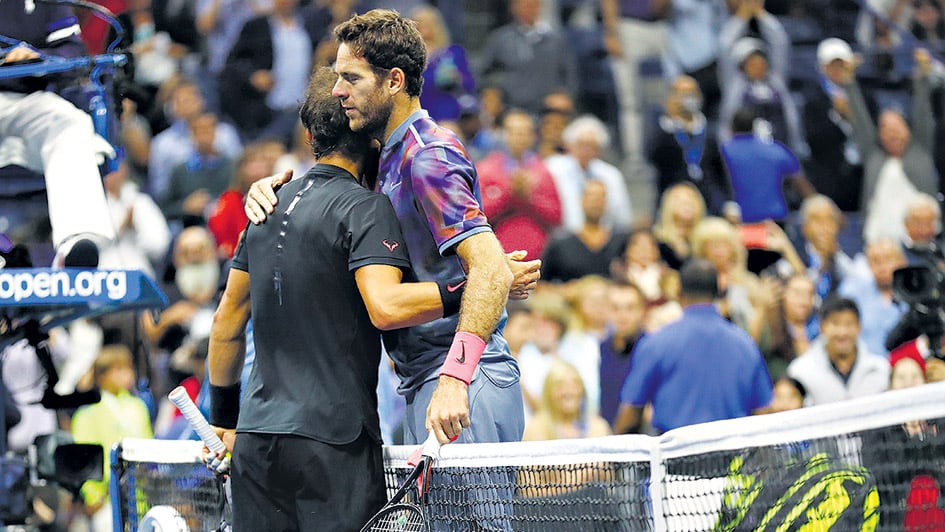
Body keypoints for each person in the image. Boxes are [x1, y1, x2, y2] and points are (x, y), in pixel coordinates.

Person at [244, 9, 540, 447]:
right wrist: (269, 189)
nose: (338, 90)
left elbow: (491, 269)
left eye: (352, 78)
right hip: (425, 380)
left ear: (395, 81)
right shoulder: (387, 156)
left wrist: (455, 378)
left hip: (461, 383)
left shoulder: (429, 157)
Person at [208, 67, 459, 531]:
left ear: (309, 137)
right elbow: (387, 307)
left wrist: (225, 419)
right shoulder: (366, 208)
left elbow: (225, 323)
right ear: (372, 138)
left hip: (257, 438)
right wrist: (468, 285)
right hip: (334, 442)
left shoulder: (265, 208)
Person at [0, 0, 115, 267]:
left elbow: (72, 50)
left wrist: (36, 57)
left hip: (27, 98)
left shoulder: (45, 2)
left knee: (70, 123)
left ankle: (76, 242)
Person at [614, 258, 773, 434]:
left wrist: (616, 446)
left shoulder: (656, 343)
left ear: (679, 292)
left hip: (674, 449)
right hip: (731, 448)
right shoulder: (745, 345)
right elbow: (763, 413)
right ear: (718, 292)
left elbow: (631, 412)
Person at [72, 344, 153, 532]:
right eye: (118, 369)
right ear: (102, 375)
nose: (127, 374)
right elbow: (84, 459)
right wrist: (94, 498)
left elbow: (149, 448)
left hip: (140, 502)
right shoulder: (86, 413)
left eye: (128, 367)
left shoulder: (139, 407)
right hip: (107, 505)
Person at [787, 297, 889, 406]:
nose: (842, 332)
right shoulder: (801, 371)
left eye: (849, 324)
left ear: (859, 327)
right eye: (835, 324)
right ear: (822, 327)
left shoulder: (879, 369)